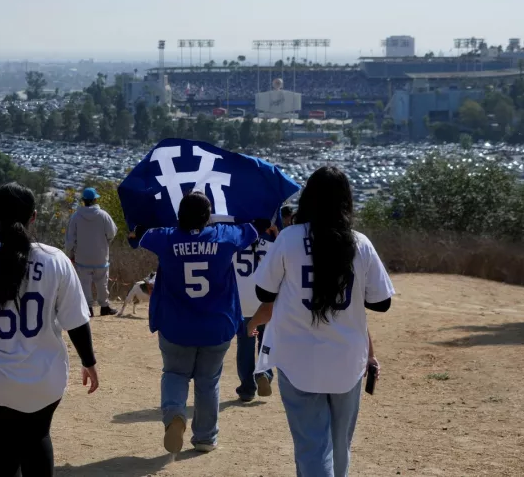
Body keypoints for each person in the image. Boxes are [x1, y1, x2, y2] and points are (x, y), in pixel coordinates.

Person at [0, 182, 100, 477]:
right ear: (33, 217)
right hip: (44, 378)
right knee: (38, 439)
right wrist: (89, 362)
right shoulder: (55, 260)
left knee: (0, 454)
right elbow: (76, 319)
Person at [248, 167, 394, 477]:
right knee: (340, 445)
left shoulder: (288, 239)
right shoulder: (359, 243)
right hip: (347, 361)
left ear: (308, 200)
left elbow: (263, 290)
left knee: (312, 447)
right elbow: (382, 302)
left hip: (298, 358)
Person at [129, 191, 274, 454]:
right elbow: (256, 228)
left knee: (175, 373)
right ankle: (206, 437)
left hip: (175, 326)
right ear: (208, 217)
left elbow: (138, 235)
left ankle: (175, 414)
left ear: (179, 216)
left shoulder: (165, 238)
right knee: (208, 380)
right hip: (216, 326)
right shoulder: (223, 236)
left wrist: (137, 227)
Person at [232, 234, 273, 402]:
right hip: (265, 301)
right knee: (265, 341)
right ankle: (264, 373)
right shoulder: (270, 242)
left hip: (242, 301)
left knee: (246, 342)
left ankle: (247, 388)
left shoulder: (235, 239)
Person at [66, 187, 118, 316]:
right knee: (102, 282)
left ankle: (88, 308)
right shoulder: (103, 215)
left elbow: (70, 239)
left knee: (84, 283)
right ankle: (104, 306)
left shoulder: (76, 216)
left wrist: (70, 254)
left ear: (83, 200)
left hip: (82, 257)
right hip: (100, 256)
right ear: (95, 199)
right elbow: (112, 233)